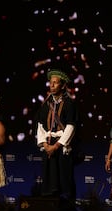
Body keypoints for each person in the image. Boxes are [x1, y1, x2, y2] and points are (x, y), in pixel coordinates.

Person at [35, 68, 79, 201]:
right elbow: (40, 126)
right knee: (49, 178)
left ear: (63, 85)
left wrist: (56, 146)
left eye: (56, 83)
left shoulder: (69, 103)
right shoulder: (46, 104)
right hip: (48, 144)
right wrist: (45, 145)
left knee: (64, 178)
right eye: (50, 82)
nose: (52, 85)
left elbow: (71, 126)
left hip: (61, 146)